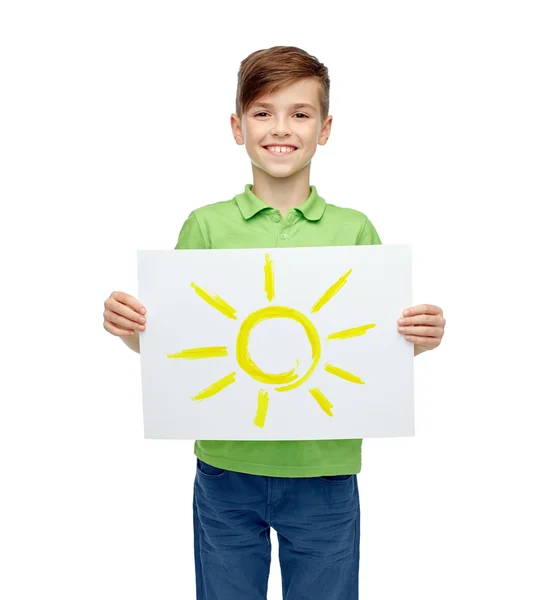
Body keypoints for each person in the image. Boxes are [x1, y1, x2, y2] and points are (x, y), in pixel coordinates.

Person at [103, 45, 446, 600]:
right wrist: (132, 330)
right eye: (263, 112)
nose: (280, 128)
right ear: (237, 127)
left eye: (300, 112)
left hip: (325, 471)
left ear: (325, 128)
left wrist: (419, 340)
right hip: (226, 467)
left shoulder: (354, 230)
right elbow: (178, 348)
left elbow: (370, 348)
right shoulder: (206, 226)